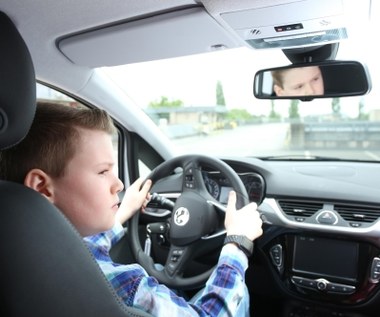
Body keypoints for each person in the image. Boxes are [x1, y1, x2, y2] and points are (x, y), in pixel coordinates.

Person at [0, 101, 263, 316]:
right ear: (43, 188)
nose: (119, 184)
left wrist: (123, 213)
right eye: (103, 171)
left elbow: (86, 250)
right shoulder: (123, 284)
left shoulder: (24, 256)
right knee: (237, 290)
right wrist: (237, 243)